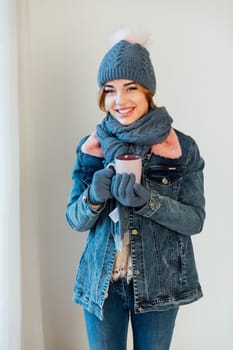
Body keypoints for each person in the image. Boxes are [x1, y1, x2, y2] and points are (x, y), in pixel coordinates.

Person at [66, 30, 206, 350]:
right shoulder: (92, 147)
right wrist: (94, 197)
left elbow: (194, 220)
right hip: (102, 283)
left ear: (147, 92)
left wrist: (148, 202)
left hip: (160, 282)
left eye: (131, 88)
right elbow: (74, 219)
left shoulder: (181, 148)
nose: (120, 100)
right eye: (110, 89)